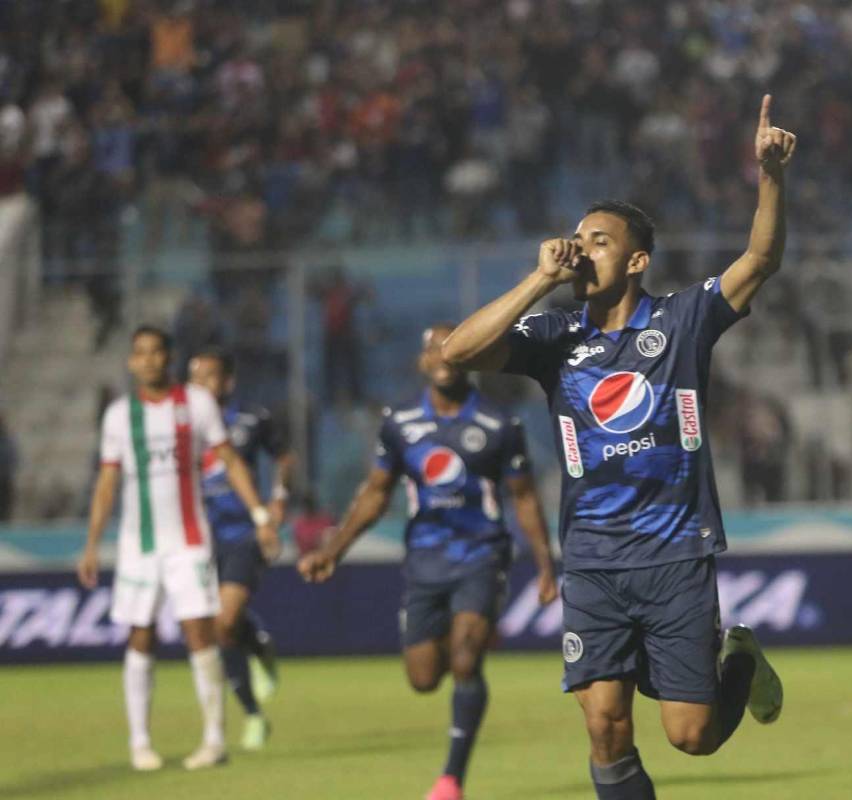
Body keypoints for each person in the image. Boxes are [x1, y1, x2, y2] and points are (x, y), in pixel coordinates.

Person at [439, 94, 794, 799]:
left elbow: (760, 259)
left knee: (691, 736)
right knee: (605, 727)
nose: (580, 247)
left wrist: (770, 176)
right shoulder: (554, 336)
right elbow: (458, 351)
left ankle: (741, 665)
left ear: (636, 260)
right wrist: (540, 280)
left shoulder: (682, 320)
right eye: (576, 237)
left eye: (597, 240)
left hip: (674, 553)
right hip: (594, 558)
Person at [298, 323, 558, 800]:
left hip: (482, 552)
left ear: (469, 355)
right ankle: (461, 634)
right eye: (433, 350)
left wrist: (544, 564)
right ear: (421, 361)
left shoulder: (499, 423)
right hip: (425, 558)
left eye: (452, 348)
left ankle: (451, 779)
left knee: (466, 659)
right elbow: (376, 493)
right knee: (423, 678)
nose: (443, 357)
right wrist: (333, 550)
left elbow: (523, 498)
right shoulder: (400, 422)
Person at [75, 325, 280, 771]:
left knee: (200, 633)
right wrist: (91, 543)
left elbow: (230, 461)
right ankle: (140, 742)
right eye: (141, 353)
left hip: (189, 541)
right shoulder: (119, 416)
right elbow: (108, 482)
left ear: (169, 358)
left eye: (157, 352)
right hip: (139, 545)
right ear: (131, 361)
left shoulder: (197, 404)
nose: (149, 360)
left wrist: (261, 515)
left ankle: (213, 740)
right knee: (140, 636)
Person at [189, 347, 294, 750]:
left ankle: (257, 654)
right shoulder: (182, 425)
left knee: (224, 620)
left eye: (210, 376)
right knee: (222, 629)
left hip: (242, 532)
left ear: (228, 381)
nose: (201, 385)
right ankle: (254, 711)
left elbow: (284, 458)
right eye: (195, 377)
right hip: (197, 536)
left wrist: (278, 499)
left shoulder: (251, 418)